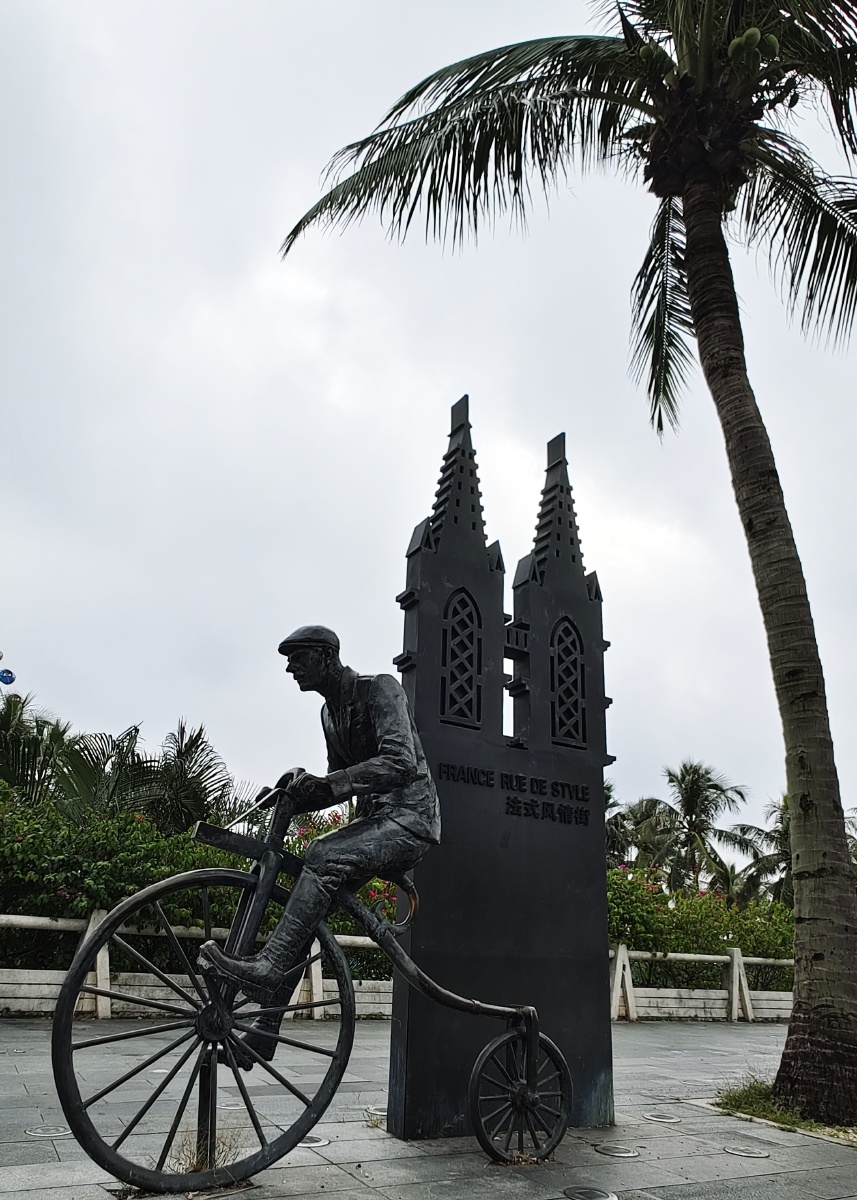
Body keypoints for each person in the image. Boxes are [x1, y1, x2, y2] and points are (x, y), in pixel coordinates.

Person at [198, 625, 440, 1061]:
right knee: (306, 912)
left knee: (322, 853)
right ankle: (266, 1032)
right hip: (374, 821)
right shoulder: (329, 715)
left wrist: (329, 784)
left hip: (409, 818)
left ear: (327, 657)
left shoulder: (379, 690)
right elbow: (337, 785)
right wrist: (296, 790)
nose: (290, 668)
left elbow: (400, 762)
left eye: (298, 658)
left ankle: (269, 967)